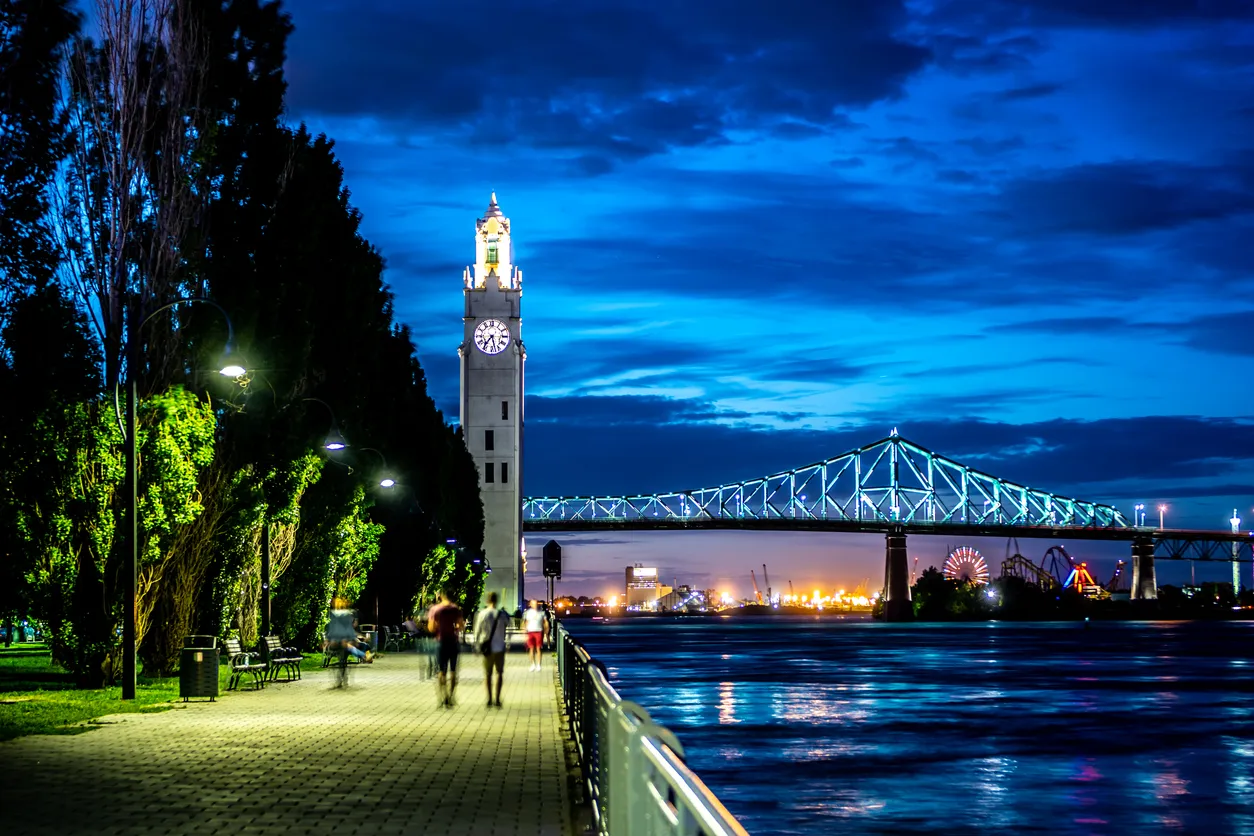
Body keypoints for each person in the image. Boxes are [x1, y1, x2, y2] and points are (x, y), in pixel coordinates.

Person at [427, 589, 464, 708]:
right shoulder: (455, 609)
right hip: (453, 641)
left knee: (441, 671)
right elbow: (461, 625)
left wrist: (438, 627)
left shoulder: (435, 609)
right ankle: (451, 696)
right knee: (453, 670)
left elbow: (431, 627)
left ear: (441, 596)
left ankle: (443, 697)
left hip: (440, 641)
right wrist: (454, 629)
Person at [474, 592, 510, 708]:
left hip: (487, 648)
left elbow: (477, 631)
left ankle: (489, 699)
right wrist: (507, 643)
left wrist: (476, 645)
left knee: (488, 674)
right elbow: (508, 629)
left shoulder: (482, 614)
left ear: (487, 601)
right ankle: (498, 699)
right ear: (497, 601)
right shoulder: (502, 614)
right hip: (499, 647)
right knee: (499, 673)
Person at [325, 599, 372, 688]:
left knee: (346, 646)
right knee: (345, 644)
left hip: (342, 643)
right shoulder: (336, 617)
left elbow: (348, 632)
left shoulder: (341, 617)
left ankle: (363, 656)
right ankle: (363, 656)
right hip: (336, 643)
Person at [523, 599, 546, 671]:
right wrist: (524, 632)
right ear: (531, 604)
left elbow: (545, 622)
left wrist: (546, 630)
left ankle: (539, 665)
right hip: (530, 631)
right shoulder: (528, 613)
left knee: (538, 648)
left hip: (539, 631)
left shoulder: (542, 613)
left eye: (536, 603)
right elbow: (526, 622)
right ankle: (532, 664)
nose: (535, 605)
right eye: (534, 603)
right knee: (531, 648)